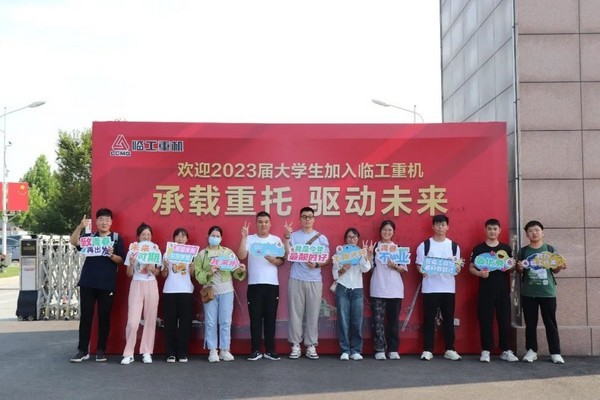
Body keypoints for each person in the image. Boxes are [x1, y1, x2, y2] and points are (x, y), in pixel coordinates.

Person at [70, 209, 125, 363]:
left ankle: (101, 350)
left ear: (111, 222)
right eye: (101, 219)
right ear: (96, 221)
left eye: (107, 220)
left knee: (104, 317)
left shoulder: (116, 238)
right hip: (88, 283)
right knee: (86, 317)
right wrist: (80, 227)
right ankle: (82, 351)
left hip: (106, 284)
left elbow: (122, 261)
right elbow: (74, 242)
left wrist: (111, 254)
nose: (104, 222)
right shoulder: (90, 238)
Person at [237, 211, 285, 361]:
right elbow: (241, 256)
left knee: (270, 318)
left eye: (266, 222)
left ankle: (270, 350)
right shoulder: (250, 239)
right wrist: (243, 237)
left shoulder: (275, 240)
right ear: (256, 224)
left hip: (272, 285)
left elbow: (282, 261)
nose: (263, 224)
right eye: (260, 222)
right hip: (254, 285)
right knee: (255, 319)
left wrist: (273, 261)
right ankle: (255, 350)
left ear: (270, 224)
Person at [516, 220, 566, 364]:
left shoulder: (550, 249)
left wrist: (560, 266)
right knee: (530, 323)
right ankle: (531, 351)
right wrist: (519, 267)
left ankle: (555, 352)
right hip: (528, 292)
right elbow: (519, 271)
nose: (534, 233)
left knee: (550, 323)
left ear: (542, 232)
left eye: (537, 230)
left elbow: (555, 270)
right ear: (527, 234)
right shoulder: (523, 251)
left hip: (547, 292)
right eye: (531, 231)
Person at [469, 219, 519, 362]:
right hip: (485, 291)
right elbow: (471, 267)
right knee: (485, 320)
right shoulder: (478, 249)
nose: (492, 231)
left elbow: (511, 268)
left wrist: (511, 266)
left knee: (504, 320)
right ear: (485, 230)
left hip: (503, 291)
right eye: (490, 229)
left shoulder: (506, 249)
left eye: (495, 229)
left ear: (499, 230)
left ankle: (506, 350)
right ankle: (486, 350)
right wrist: (479, 274)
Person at [283, 206, 330, 360]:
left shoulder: (321, 238)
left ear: (314, 219)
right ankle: (295, 344)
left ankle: (311, 345)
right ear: (300, 219)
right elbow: (288, 256)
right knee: (295, 313)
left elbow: (326, 258)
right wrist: (286, 238)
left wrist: (316, 264)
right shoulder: (294, 236)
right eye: (304, 216)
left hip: (314, 279)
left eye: (310, 216)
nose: (307, 219)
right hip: (296, 278)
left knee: (313, 313)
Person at [195, 226, 246, 363]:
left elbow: (235, 271)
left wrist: (241, 269)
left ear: (221, 238)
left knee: (225, 321)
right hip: (210, 291)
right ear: (208, 236)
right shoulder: (201, 255)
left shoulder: (227, 252)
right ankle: (212, 350)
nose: (215, 238)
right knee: (211, 321)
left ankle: (224, 349)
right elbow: (198, 275)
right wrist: (209, 272)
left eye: (218, 236)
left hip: (226, 291)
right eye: (213, 235)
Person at [416, 214, 462, 361]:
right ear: (433, 226)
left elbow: (457, 266)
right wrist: (421, 271)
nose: (440, 227)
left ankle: (450, 349)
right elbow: (418, 265)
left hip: (448, 288)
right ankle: (427, 349)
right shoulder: (425, 245)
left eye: (443, 224)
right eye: (437, 224)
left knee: (448, 319)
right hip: (430, 288)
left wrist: (457, 269)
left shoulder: (454, 246)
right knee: (429, 319)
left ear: (447, 227)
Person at [121, 222, 162, 365]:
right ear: (138, 236)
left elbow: (158, 272)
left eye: (149, 235)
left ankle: (146, 351)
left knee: (150, 319)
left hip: (151, 284)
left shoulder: (156, 250)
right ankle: (128, 353)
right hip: (137, 283)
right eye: (143, 234)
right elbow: (128, 274)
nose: (146, 237)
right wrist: (132, 264)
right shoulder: (132, 251)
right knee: (132, 321)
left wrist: (153, 269)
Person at [333, 227, 372, 361]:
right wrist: (342, 270)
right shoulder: (340, 252)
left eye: (354, 237)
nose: (352, 239)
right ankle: (344, 350)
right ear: (345, 239)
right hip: (342, 287)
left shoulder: (360, 252)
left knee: (357, 320)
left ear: (357, 239)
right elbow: (335, 273)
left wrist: (365, 256)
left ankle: (356, 350)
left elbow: (366, 269)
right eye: (349, 237)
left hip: (357, 289)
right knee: (343, 320)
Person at [370, 220, 407, 360]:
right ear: (380, 231)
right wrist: (368, 255)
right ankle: (379, 349)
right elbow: (368, 268)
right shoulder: (374, 247)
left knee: (393, 321)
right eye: (384, 229)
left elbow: (404, 269)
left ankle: (393, 349)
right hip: (378, 288)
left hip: (395, 289)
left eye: (390, 230)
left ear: (394, 232)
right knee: (378, 321)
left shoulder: (398, 248)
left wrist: (394, 266)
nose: (387, 232)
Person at [161, 227, 195, 363]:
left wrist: (192, 268)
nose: (180, 239)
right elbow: (164, 274)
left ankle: (182, 353)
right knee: (170, 323)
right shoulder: (167, 253)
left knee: (185, 324)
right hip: (170, 291)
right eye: (178, 236)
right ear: (174, 238)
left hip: (186, 291)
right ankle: (170, 353)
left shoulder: (192, 254)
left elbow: (193, 275)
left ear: (187, 239)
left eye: (183, 236)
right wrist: (164, 266)